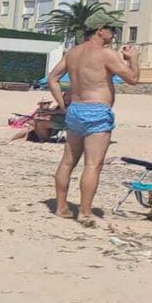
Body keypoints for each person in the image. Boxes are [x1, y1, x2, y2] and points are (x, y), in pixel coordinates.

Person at [46, 21, 142, 225]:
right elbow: (133, 79)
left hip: (76, 109)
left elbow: (52, 78)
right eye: (112, 30)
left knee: (68, 161)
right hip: (97, 110)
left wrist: (62, 104)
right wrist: (133, 58)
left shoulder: (73, 52)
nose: (114, 34)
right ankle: (85, 212)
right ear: (101, 31)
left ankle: (61, 207)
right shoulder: (105, 54)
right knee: (92, 165)